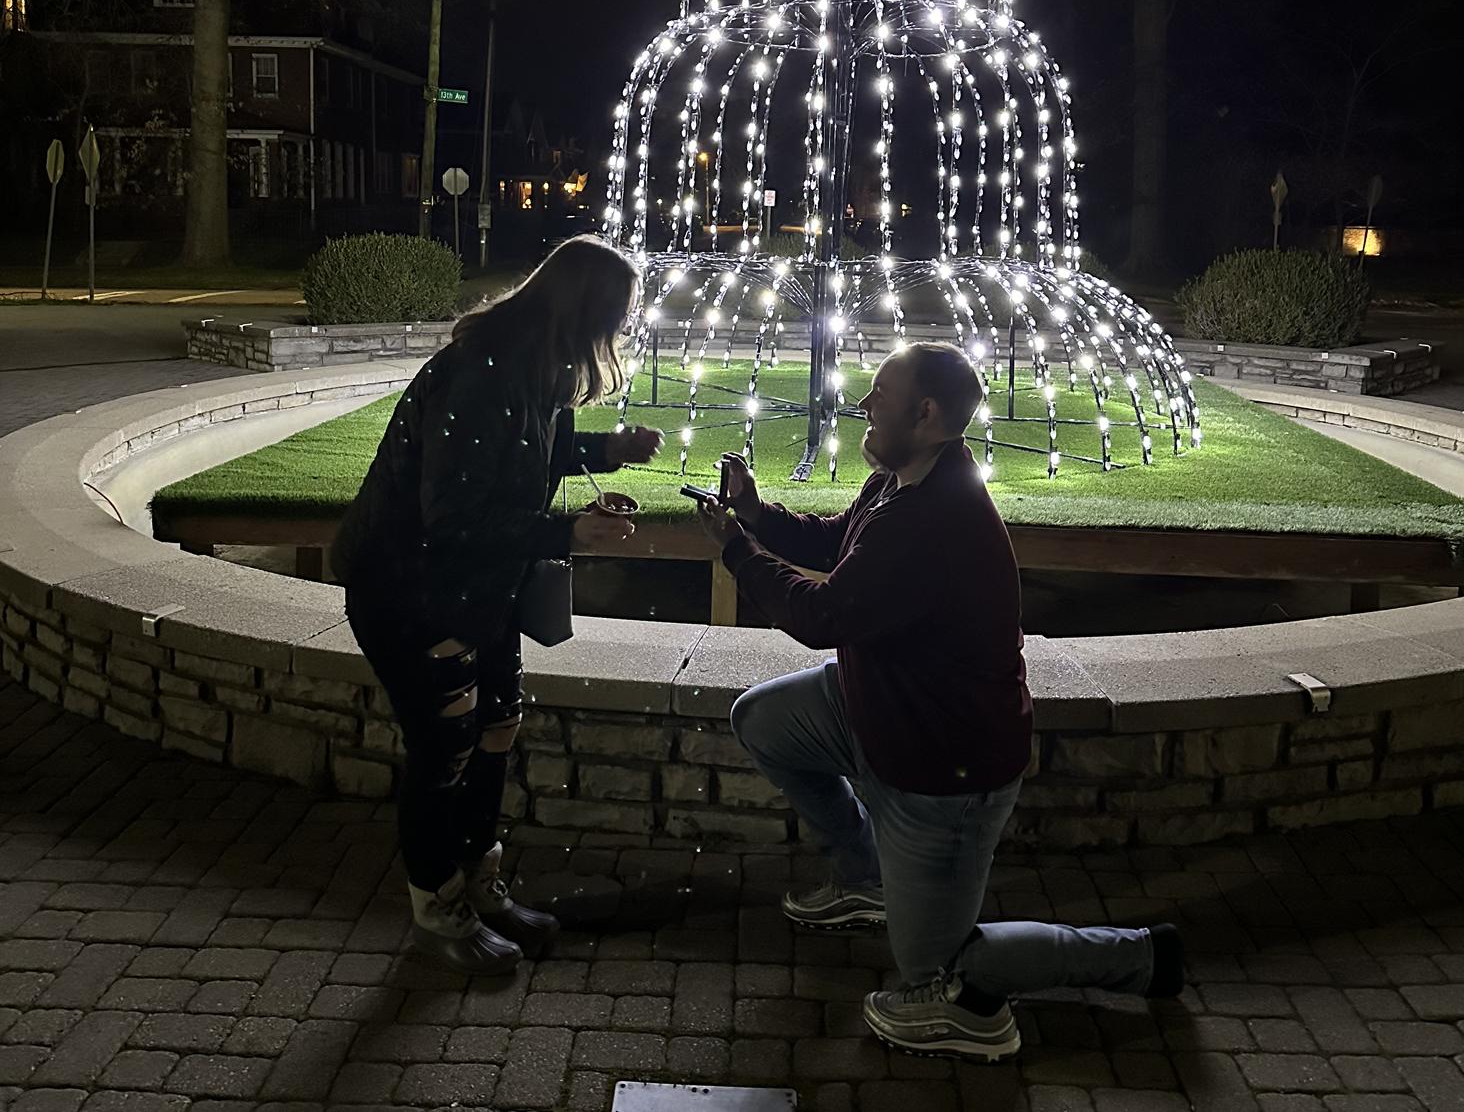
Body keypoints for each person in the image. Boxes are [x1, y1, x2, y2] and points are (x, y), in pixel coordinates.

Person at [694, 341, 1182, 1062]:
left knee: (936, 970)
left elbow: (823, 617)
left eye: (880, 394)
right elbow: (837, 545)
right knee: (762, 720)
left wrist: (737, 551)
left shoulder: (933, 519)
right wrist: (758, 514)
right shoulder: (901, 481)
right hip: (879, 714)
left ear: (925, 413)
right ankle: (867, 874)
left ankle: (1137, 959)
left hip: (943, 774)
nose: (863, 403)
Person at [332, 236, 662, 975]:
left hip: (480, 585)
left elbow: (534, 448)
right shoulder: (479, 372)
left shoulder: (532, 362)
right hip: (410, 589)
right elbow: (451, 515)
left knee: (496, 728)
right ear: (582, 311)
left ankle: (481, 883)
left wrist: (610, 450)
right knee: (444, 747)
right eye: (615, 317)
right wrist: (568, 529)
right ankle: (436, 906)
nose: (616, 333)